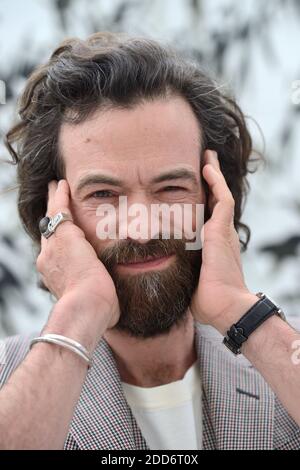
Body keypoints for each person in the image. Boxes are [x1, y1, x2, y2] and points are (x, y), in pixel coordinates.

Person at [0, 32, 299, 450]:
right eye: (103, 195)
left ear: (215, 199)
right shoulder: (6, 379)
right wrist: (80, 313)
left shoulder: (282, 357)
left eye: (172, 188)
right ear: (53, 213)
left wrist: (239, 311)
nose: (141, 229)